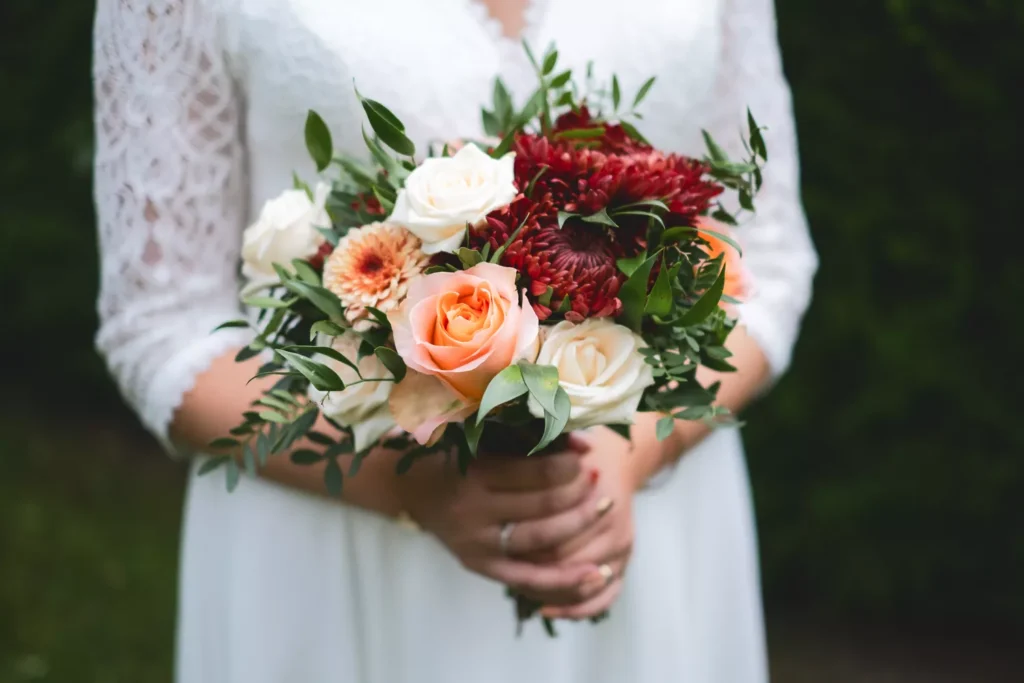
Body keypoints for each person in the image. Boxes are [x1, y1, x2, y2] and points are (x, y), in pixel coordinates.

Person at [92, 0, 817, 681]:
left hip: (645, 525)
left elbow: (770, 260)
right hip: (336, 525)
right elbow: (160, 325)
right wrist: (411, 486)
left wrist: (638, 449)